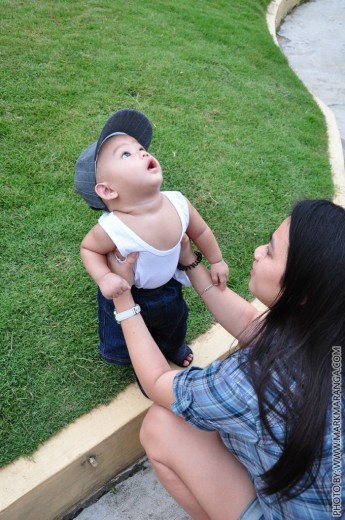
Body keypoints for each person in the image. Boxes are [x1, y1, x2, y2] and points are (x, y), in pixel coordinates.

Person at [107, 198, 345, 519]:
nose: (258, 251)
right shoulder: (330, 328)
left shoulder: (250, 381)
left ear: (304, 293)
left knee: (161, 426)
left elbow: (157, 383)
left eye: (271, 251)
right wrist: (190, 260)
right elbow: (251, 325)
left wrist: (123, 297)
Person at [75, 108, 229, 369]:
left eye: (139, 148)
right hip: (128, 290)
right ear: (107, 190)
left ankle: (172, 347)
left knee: (174, 320)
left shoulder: (178, 202)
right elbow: (89, 248)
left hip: (167, 285)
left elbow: (200, 231)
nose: (142, 152)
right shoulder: (114, 227)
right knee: (119, 328)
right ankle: (125, 356)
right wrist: (105, 277)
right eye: (126, 154)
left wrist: (216, 260)